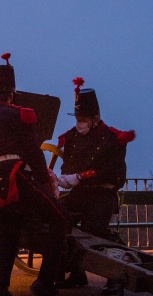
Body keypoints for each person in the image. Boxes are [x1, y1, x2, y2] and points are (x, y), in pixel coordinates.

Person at [0, 53, 70, 296]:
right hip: (12, 178)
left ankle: (1, 288)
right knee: (60, 219)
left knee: (9, 230)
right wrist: (45, 186)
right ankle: (44, 283)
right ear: (11, 94)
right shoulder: (18, 115)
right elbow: (34, 155)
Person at [55, 77, 135, 294]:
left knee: (96, 232)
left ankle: (117, 274)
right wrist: (64, 178)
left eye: (83, 119)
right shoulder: (71, 137)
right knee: (59, 219)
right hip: (80, 193)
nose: (79, 123)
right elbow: (67, 166)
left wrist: (81, 177)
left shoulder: (113, 139)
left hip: (102, 194)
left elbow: (113, 173)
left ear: (96, 118)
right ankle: (76, 272)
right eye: (78, 118)